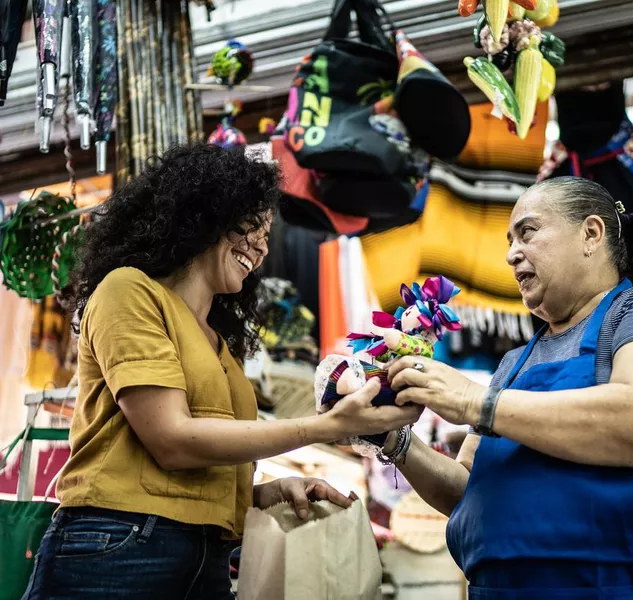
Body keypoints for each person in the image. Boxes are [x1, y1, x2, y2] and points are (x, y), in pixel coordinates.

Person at [22, 145, 421, 600]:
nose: (261, 246)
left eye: (266, 233)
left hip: (201, 559)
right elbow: (172, 441)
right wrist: (329, 426)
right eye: (249, 226)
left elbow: (188, 473)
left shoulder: (219, 346)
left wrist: (261, 493)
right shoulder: (128, 291)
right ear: (203, 216)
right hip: (119, 547)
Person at [381, 176, 633, 599]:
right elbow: (468, 490)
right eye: (508, 241)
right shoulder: (513, 364)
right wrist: (395, 440)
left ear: (591, 233)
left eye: (528, 233)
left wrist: (474, 401)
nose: (510, 254)